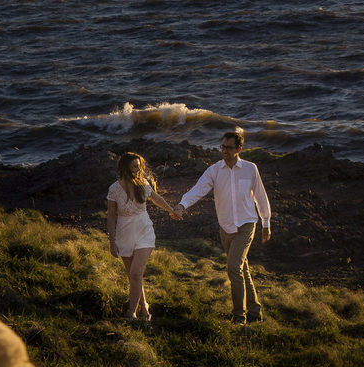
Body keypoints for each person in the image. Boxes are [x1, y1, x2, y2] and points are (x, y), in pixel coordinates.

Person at [174, 130, 272, 324]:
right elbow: (199, 188)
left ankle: (239, 316)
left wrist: (266, 223)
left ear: (239, 149)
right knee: (242, 269)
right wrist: (182, 204)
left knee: (233, 268)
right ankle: (255, 311)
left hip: (247, 224)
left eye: (229, 148)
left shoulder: (250, 169)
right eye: (223, 147)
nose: (224, 151)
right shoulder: (214, 170)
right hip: (225, 227)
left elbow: (261, 196)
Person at [106, 152, 180, 321]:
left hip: (144, 230)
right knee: (133, 276)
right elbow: (111, 216)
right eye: (134, 166)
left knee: (136, 273)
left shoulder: (143, 183)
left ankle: (131, 313)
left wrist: (171, 210)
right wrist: (112, 242)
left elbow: (156, 198)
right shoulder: (114, 189)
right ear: (124, 168)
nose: (137, 170)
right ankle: (144, 307)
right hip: (124, 233)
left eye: (139, 166)